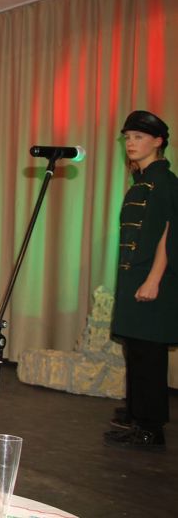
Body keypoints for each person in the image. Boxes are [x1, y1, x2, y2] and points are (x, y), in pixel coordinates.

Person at [104, 110, 177, 451]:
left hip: (153, 279)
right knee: (136, 350)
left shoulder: (164, 182)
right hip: (135, 277)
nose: (131, 143)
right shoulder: (143, 181)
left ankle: (151, 428)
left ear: (158, 142)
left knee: (149, 354)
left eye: (139, 137)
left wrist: (153, 279)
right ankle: (136, 418)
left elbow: (169, 234)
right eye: (128, 138)